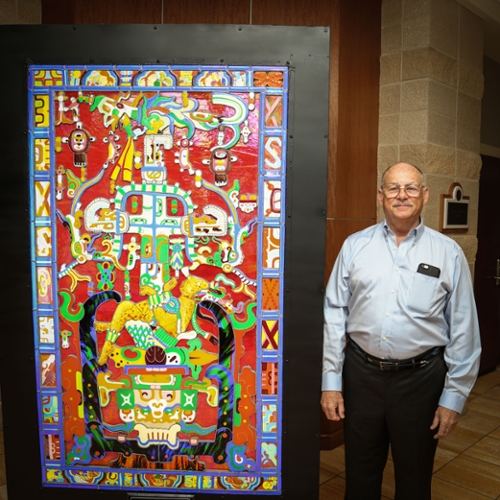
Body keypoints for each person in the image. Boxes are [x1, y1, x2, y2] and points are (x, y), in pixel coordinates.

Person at [320, 162, 481, 500]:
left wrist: (454, 397)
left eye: (410, 188)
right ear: (381, 196)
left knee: (414, 478)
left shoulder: (447, 252)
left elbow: (464, 328)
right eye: (393, 188)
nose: (401, 195)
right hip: (362, 375)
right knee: (360, 475)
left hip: (421, 380)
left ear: (424, 195)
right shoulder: (354, 246)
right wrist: (332, 383)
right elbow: (335, 313)